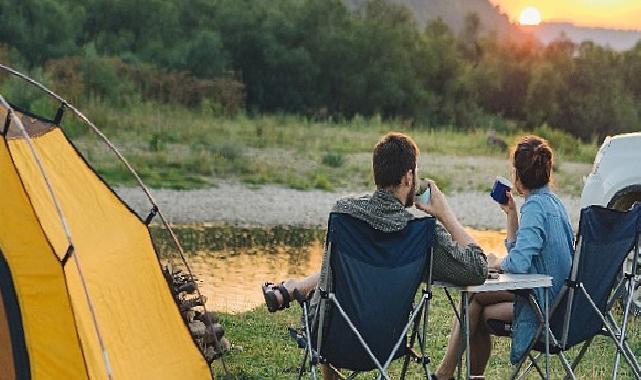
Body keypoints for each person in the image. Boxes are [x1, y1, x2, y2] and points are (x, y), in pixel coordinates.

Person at [261, 132, 489, 379]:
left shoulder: (344, 214)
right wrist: (446, 215)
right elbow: (478, 269)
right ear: (408, 177)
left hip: (333, 338)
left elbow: (328, 282)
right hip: (388, 342)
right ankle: (296, 289)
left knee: (327, 294)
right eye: (416, 173)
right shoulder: (422, 233)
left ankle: (294, 290)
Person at [433, 136, 574, 380]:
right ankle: (454, 375)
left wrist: (495, 264)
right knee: (475, 301)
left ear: (517, 175)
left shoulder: (535, 207)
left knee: (475, 302)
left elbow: (518, 264)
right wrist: (511, 214)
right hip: (555, 296)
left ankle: (445, 374)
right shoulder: (553, 203)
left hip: (543, 304)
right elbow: (524, 253)